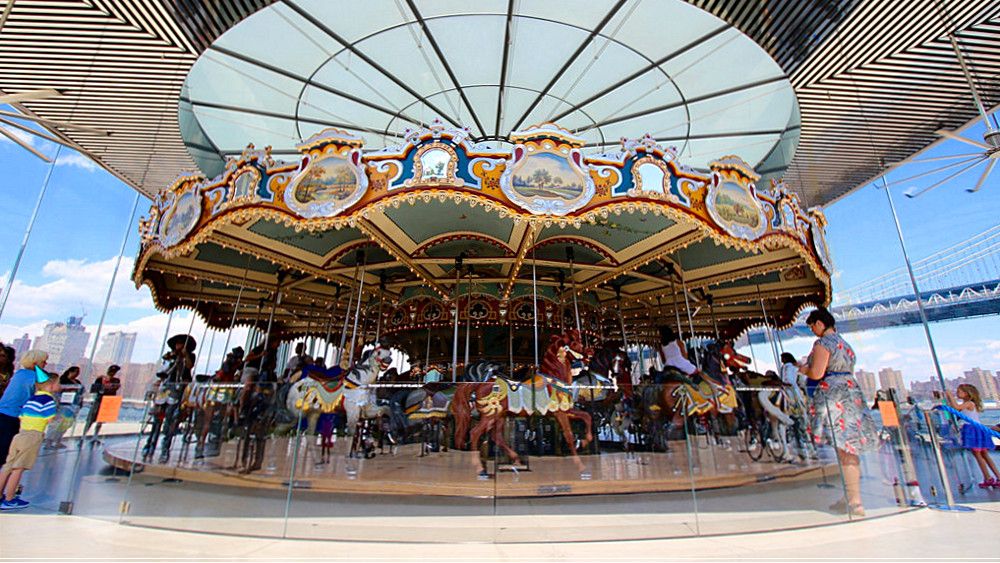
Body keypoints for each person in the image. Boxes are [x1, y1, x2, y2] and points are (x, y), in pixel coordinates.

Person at [799, 307, 878, 517]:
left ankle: (855, 501)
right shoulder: (846, 345)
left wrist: (803, 369)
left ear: (819, 324)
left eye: (812, 326)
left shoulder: (822, 344)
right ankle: (851, 496)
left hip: (834, 395)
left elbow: (816, 372)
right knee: (849, 448)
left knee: (844, 450)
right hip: (851, 390)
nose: (813, 331)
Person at [0, 368, 60, 511]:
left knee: (8, 466)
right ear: (51, 385)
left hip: (20, 434)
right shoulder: (48, 401)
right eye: (58, 383)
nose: (60, 386)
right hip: (33, 435)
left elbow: (21, 415)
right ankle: (9, 498)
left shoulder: (31, 399)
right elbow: (50, 419)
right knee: (19, 468)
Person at [945, 384, 1000, 488]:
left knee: (978, 454)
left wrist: (949, 395)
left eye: (959, 391)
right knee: (984, 454)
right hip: (976, 429)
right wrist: (948, 398)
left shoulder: (969, 403)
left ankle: (989, 477)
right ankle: (993, 476)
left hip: (973, 429)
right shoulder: (967, 404)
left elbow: (956, 407)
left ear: (966, 393)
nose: (957, 393)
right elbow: (955, 408)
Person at [0, 350, 49, 467]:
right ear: (35, 363)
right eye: (43, 361)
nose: (45, 364)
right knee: (5, 450)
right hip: (13, 416)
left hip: (3, 413)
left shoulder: (20, 373)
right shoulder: (35, 376)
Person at [44, 366, 84, 449]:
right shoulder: (63, 380)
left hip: (72, 406)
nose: (77, 374)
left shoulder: (77, 382)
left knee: (65, 424)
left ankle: (58, 440)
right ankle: (48, 442)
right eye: (76, 372)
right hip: (63, 405)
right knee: (56, 424)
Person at [83, 365, 122, 443]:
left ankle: (95, 436)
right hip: (99, 400)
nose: (112, 373)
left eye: (114, 372)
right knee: (91, 418)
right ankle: (83, 436)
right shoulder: (100, 379)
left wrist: (108, 386)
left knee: (101, 419)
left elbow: (115, 388)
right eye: (112, 371)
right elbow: (95, 389)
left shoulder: (116, 380)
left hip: (108, 400)